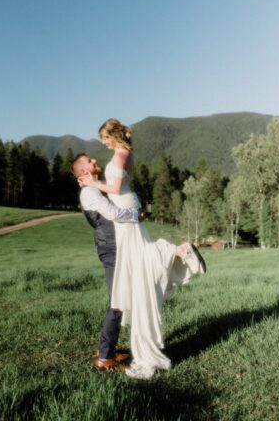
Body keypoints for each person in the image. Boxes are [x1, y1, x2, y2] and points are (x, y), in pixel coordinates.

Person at [79, 118, 205, 379]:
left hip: (124, 211)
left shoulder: (121, 156)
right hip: (127, 207)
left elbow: (113, 189)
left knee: (139, 264)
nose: (102, 144)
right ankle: (179, 253)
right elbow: (118, 188)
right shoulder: (125, 155)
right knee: (140, 260)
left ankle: (178, 252)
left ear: (112, 136)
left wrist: (93, 184)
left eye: (104, 138)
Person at [72, 153, 141, 371]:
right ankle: (104, 357)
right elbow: (112, 213)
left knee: (119, 297)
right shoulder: (90, 192)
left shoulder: (93, 187)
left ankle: (106, 348)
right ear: (83, 172)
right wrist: (136, 215)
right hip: (112, 248)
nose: (94, 161)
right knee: (117, 301)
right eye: (90, 161)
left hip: (114, 246)